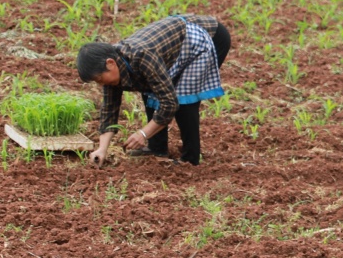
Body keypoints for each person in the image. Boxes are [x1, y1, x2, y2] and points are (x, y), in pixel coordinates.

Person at [77, 14, 231, 166]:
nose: (100, 84)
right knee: (150, 90)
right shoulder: (114, 67)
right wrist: (102, 149)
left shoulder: (143, 56)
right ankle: (157, 148)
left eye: (99, 79)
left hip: (207, 37)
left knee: (184, 99)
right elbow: (109, 110)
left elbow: (170, 104)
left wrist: (143, 134)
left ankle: (190, 159)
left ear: (110, 63)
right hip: (175, 45)